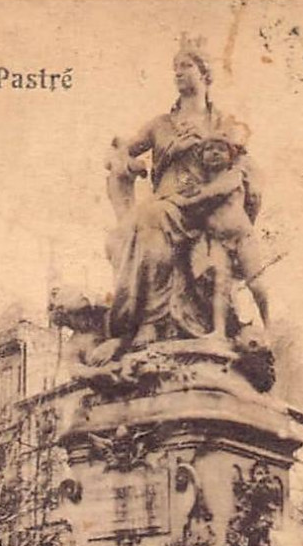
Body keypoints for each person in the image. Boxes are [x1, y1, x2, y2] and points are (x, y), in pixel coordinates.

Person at [105, 42, 267, 349]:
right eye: (175, 69)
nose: (178, 73)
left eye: (186, 66)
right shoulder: (160, 125)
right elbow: (121, 151)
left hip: (212, 206)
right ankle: (153, 322)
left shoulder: (223, 122)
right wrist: (133, 163)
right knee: (151, 216)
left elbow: (243, 162)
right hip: (169, 203)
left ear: (205, 74)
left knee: (156, 217)